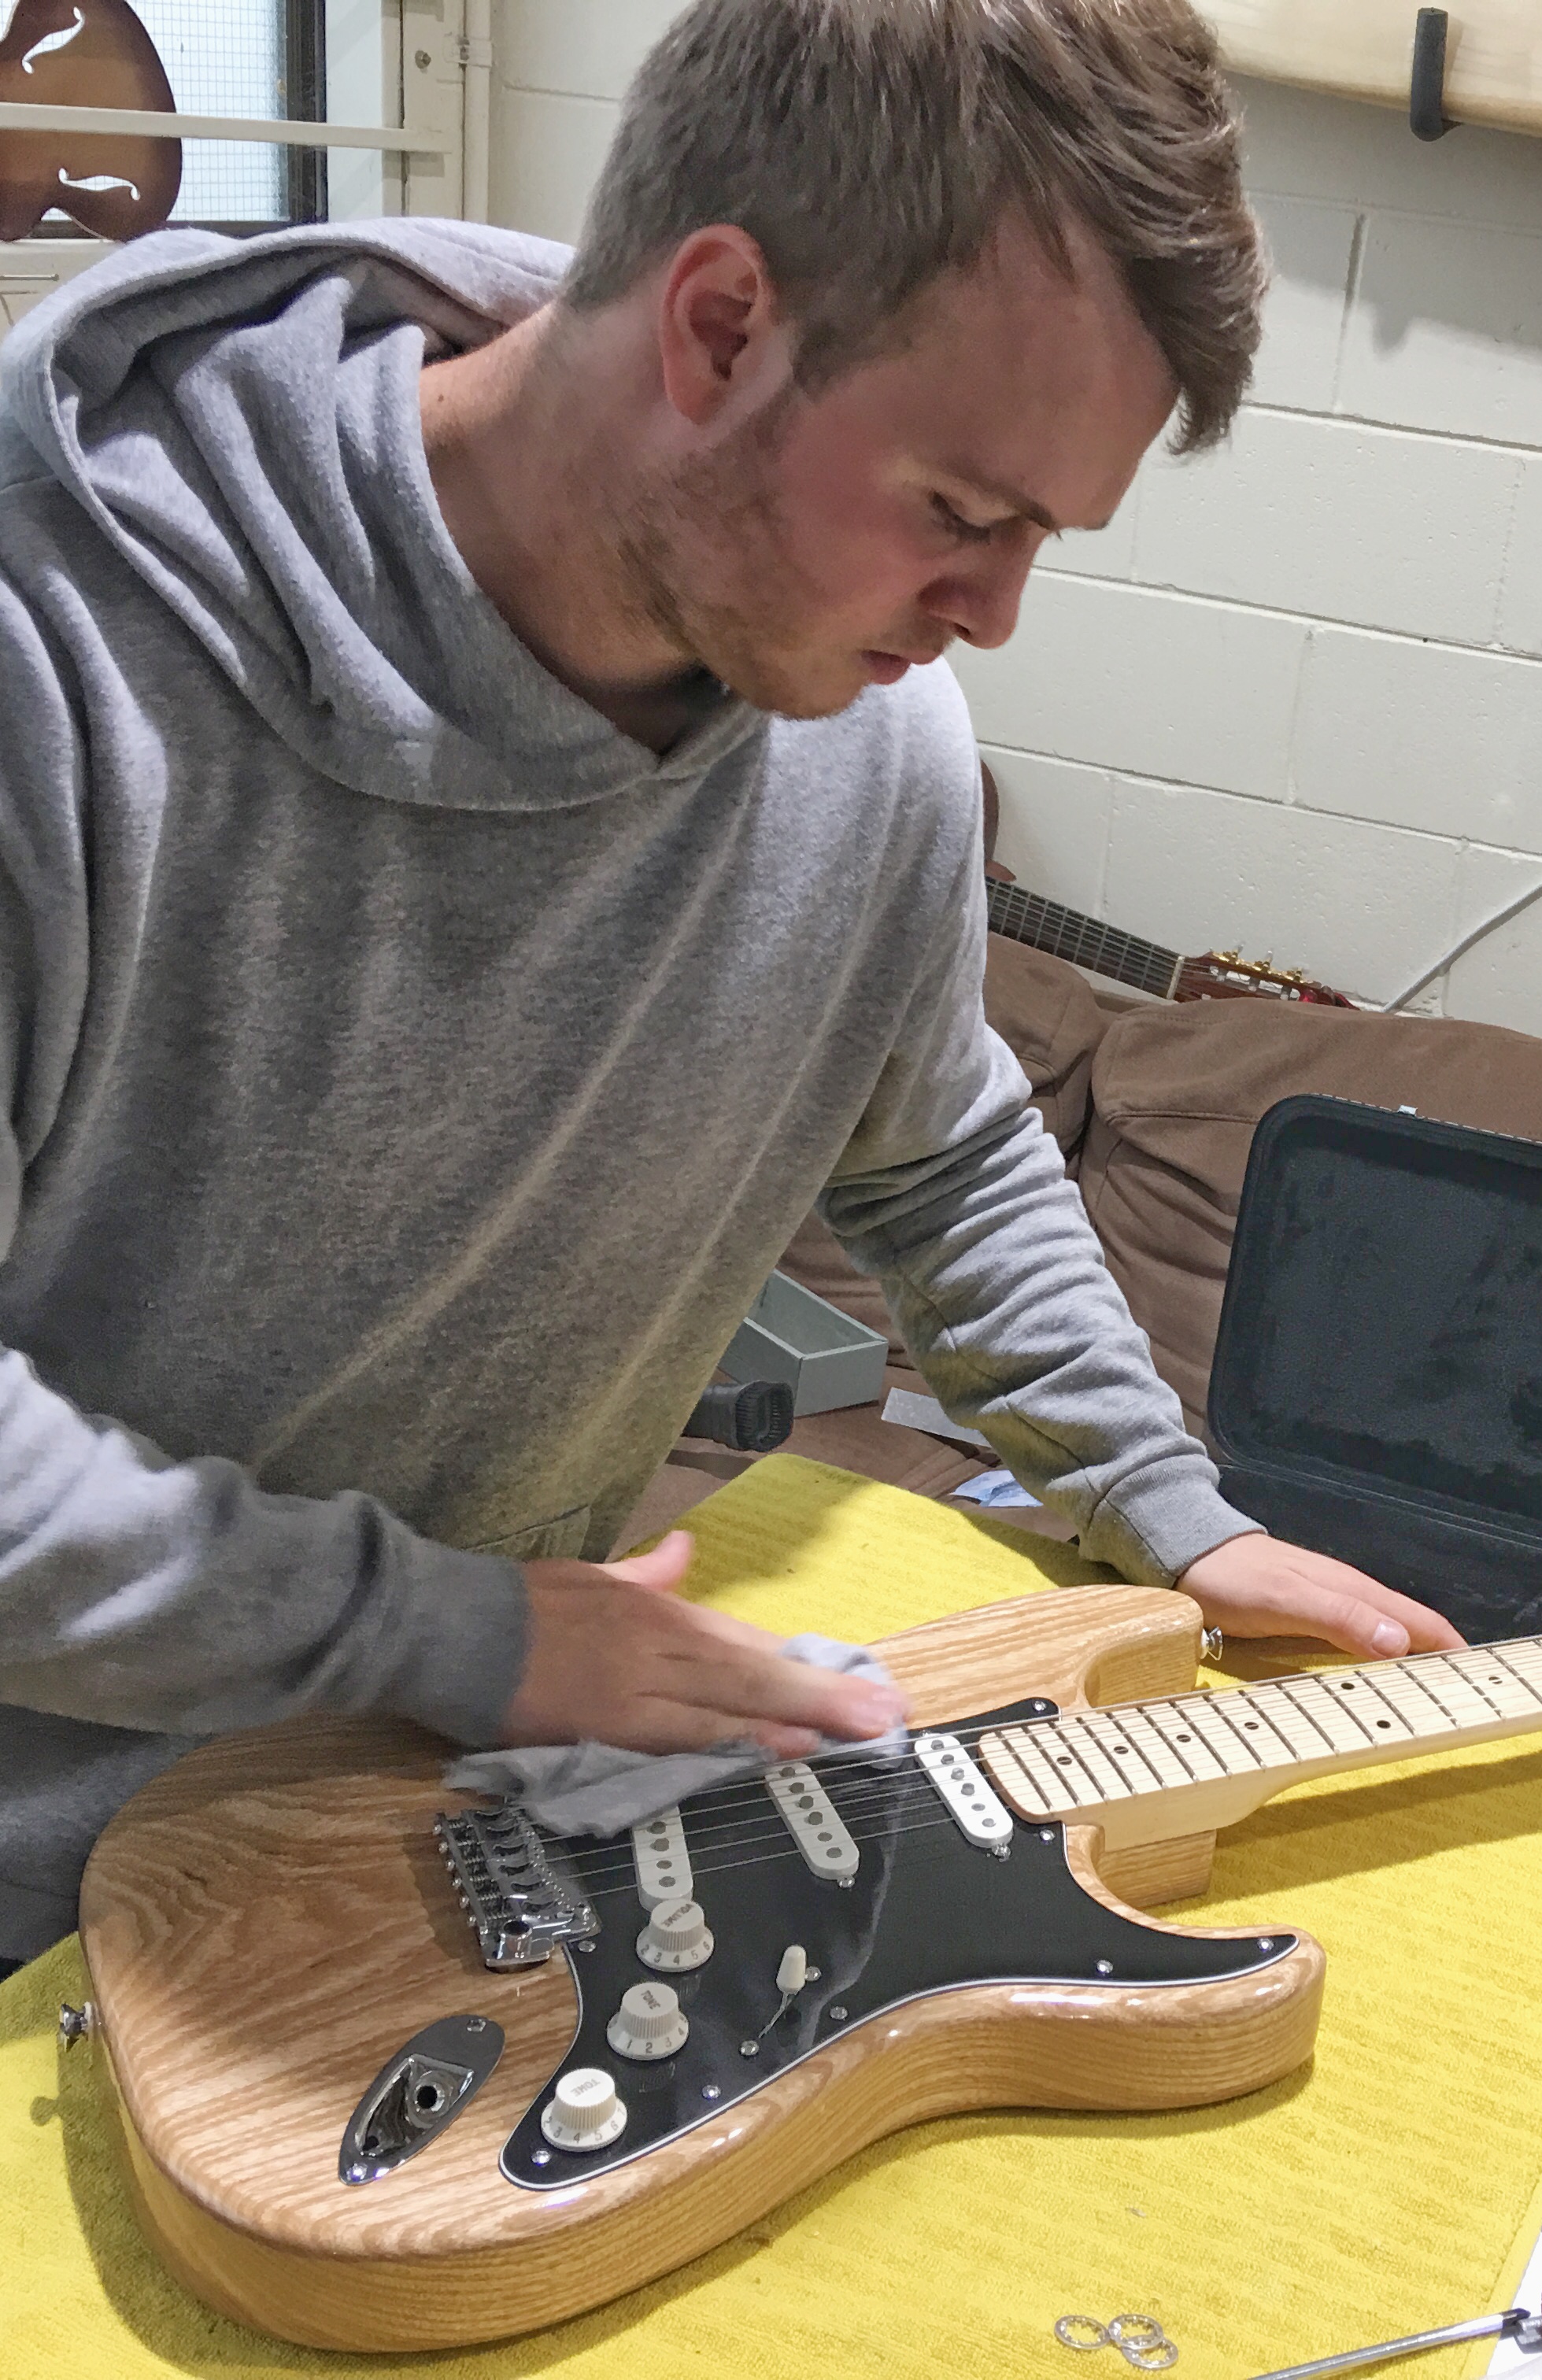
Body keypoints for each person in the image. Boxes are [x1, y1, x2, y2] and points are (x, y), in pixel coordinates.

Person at [0, 0, 1462, 1973]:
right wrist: (473, 1631)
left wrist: (1165, 1507)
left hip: (431, 1839)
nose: (994, 617)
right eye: (962, 512)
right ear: (717, 325)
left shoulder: (878, 751)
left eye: (1043, 537)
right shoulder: (49, 664)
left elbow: (936, 1148)